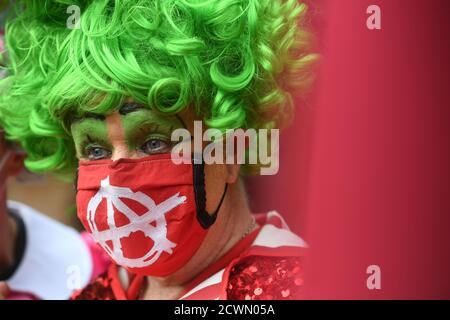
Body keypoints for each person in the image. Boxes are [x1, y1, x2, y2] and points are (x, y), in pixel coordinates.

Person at [0, 0, 316, 300]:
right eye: (95, 149)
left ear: (230, 150)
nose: (117, 178)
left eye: (153, 143)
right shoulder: (95, 287)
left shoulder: (299, 286)